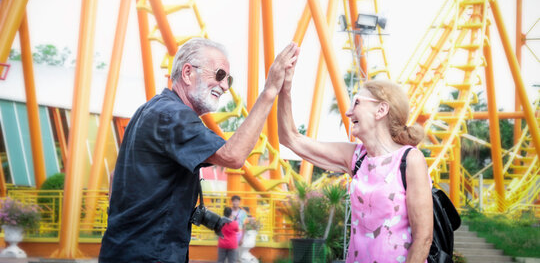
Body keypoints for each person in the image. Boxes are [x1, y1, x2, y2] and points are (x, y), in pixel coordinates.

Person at [99, 38, 299, 263]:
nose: (225, 86)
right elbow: (232, 156)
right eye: (219, 75)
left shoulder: (147, 110)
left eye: (228, 80)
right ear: (187, 73)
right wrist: (270, 91)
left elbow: (117, 178)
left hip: (121, 249)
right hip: (149, 254)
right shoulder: (173, 115)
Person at [277, 69, 433, 263]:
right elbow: (290, 138)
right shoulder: (356, 157)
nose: (348, 112)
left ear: (381, 110)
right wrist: (285, 88)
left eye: (357, 103)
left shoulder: (410, 160)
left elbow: (423, 238)